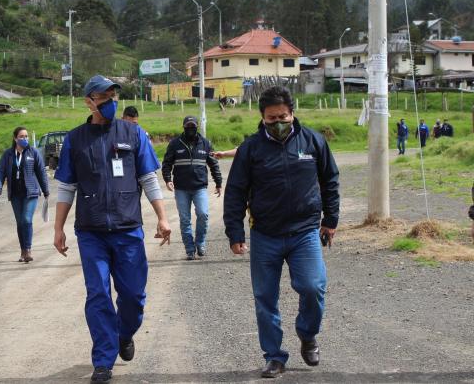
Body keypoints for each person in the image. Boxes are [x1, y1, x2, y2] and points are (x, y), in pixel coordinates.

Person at [53, 75, 172, 383]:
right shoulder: (75, 139)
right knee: (98, 295)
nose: (111, 102)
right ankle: (103, 361)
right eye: (104, 97)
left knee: (133, 295)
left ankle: (124, 333)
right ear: (89, 101)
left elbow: (148, 179)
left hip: (128, 228)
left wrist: (162, 217)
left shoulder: (133, 133)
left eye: (113, 96)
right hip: (91, 231)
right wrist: (58, 228)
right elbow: (67, 186)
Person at [223, 86, 340, 379]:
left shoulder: (313, 141)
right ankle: (274, 357)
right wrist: (234, 232)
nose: (278, 123)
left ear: (293, 112)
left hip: (305, 233)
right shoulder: (251, 149)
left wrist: (331, 219)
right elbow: (235, 191)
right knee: (265, 298)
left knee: (313, 287)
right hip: (265, 235)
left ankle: (308, 334)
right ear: (262, 117)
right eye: (271, 118)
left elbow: (330, 180)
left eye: (283, 116)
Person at [162, 116, 222, 260]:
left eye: (193, 126)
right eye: (188, 126)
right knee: (185, 220)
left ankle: (200, 243)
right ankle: (189, 248)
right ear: (183, 127)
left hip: (200, 187)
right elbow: (167, 163)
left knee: (203, 214)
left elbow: (213, 164)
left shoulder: (205, 144)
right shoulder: (175, 144)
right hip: (181, 189)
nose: (190, 129)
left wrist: (218, 182)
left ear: (197, 127)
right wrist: (168, 179)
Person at [0, 126, 50, 263]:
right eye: (21, 136)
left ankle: (28, 249)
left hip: (30, 192)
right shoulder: (8, 154)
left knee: (26, 219)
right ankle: (23, 251)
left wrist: (46, 190)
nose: (24, 139)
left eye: (26, 136)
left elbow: (41, 172)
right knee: (20, 223)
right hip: (15, 194)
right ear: (15, 138)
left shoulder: (33, 153)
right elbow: (1, 171)